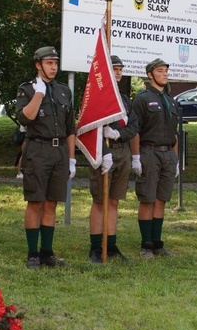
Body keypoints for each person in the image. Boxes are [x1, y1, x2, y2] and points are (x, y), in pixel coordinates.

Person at [16, 46, 76, 268]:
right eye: (49, 63)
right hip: (37, 150)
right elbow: (26, 118)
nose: (53, 67)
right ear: (38, 65)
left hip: (59, 150)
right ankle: (32, 254)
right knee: (35, 202)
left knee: (51, 203)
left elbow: (71, 128)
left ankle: (47, 253)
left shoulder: (63, 91)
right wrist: (39, 93)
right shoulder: (28, 90)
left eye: (55, 63)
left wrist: (71, 158)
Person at [87, 55, 139, 263]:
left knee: (115, 201)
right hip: (104, 153)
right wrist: (102, 147)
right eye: (114, 69)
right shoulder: (97, 97)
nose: (118, 73)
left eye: (120, 69)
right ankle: (95, 247)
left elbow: (134, 125)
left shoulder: (125, 99)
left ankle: (112, 243)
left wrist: (119, 135)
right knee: (100, 201)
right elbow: (88, 128)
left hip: (122, 151)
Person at [130, 58, 180, 258]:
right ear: (150, 75)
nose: (165, 74)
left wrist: (175, 159)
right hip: (149, 152)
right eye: (160, 71)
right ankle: (146, 244)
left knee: (161, 199)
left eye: (166, 70)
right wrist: (136, 157)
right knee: (147, 199)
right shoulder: (142, 99)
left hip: (168, 153)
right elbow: (135, 130)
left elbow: (174, 133)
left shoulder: (170, 100)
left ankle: (157, 243)